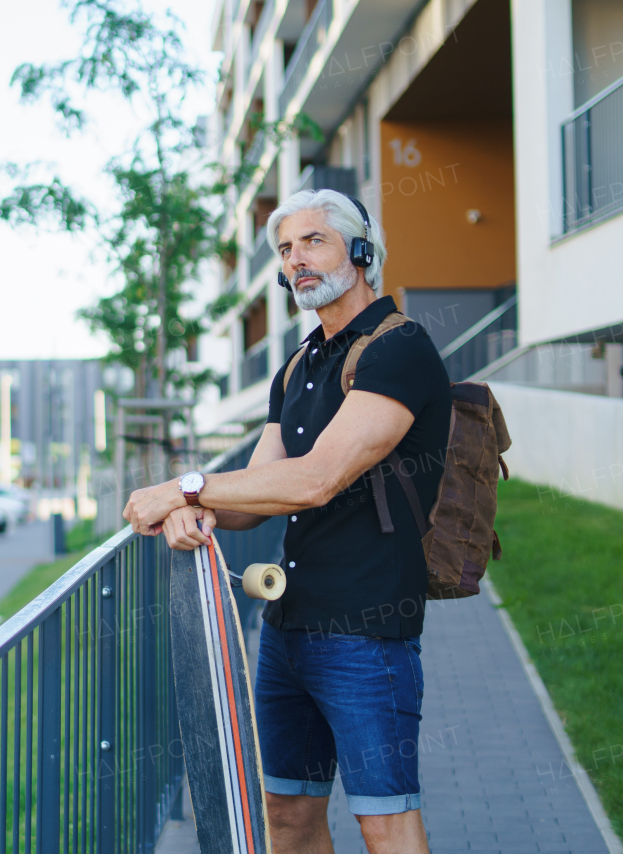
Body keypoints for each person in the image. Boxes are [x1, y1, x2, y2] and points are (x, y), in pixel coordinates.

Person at [123, 189, 451, 854]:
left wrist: (184, 486)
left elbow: (317, 477)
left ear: (362, 253)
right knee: (287, 814)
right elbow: (252, 497)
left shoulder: (400, 349)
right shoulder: (300, 364)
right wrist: (200, 509)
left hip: (367, 632)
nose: (295, 259)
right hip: (286, 629)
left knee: (384, 821)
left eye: (312, 242)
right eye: (285, 249)